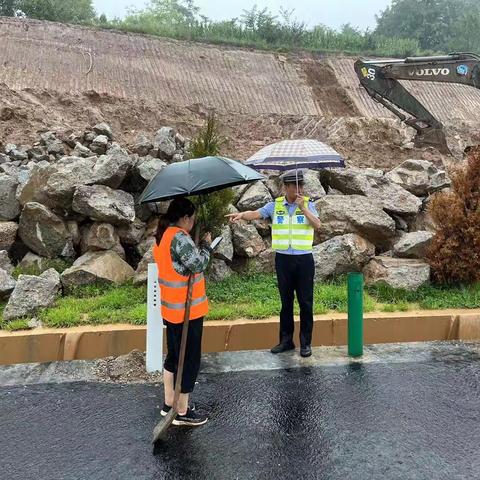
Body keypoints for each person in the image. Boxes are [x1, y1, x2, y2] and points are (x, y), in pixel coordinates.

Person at [227, 170, 321, 358]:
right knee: (286, 302)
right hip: (283, 260)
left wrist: (304, 209)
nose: (299, 189)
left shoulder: (309, 204)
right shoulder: (275, 205)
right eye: (295, 185)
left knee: (305, 302)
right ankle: (286, 341)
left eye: (301, 185)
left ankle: (305, 343)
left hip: (304, 260)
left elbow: (317, 225)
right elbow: (257, 213)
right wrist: (241, 215)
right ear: (285, 187)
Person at [153, 197, 212, 427]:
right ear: (185, 217)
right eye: (193, 219)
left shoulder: (163, 235)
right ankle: (182, 411)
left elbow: (180, 264)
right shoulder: (178, 237)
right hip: (188, 311)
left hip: (171, 308)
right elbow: (197, 264)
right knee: (189, 360)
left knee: (175, 356)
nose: (193, 223)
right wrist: (206, 246)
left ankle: (169, 403)